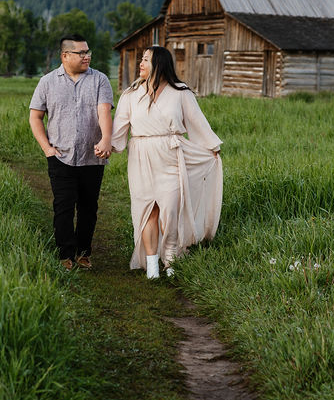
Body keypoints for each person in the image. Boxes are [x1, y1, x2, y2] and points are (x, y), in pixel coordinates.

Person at [111, 45, 222, 279]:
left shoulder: (180, 92)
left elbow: (197, 123)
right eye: (141, 59)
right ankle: (152, 265)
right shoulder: (131, 94)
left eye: (147, 60)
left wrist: (212, 148)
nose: (141, 63)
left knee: (170, 210)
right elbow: (119, 129)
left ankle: (170, 259)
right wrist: (108, 146)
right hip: (141, 156)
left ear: (160, 64)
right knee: (147, 210)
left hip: (171, 154)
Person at [29, 34, 114, 270]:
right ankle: (64, 254)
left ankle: (83, 253)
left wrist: (106, 139)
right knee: (63, 206)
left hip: (92, 156)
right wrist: (47, 148)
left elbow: (104, 112)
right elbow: (35, 117)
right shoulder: (47, 82)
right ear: (65, 56)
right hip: (60, 156)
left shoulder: (100, 80)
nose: (87, 56)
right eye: (81, 53)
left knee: (88, 207)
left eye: (88, 52)